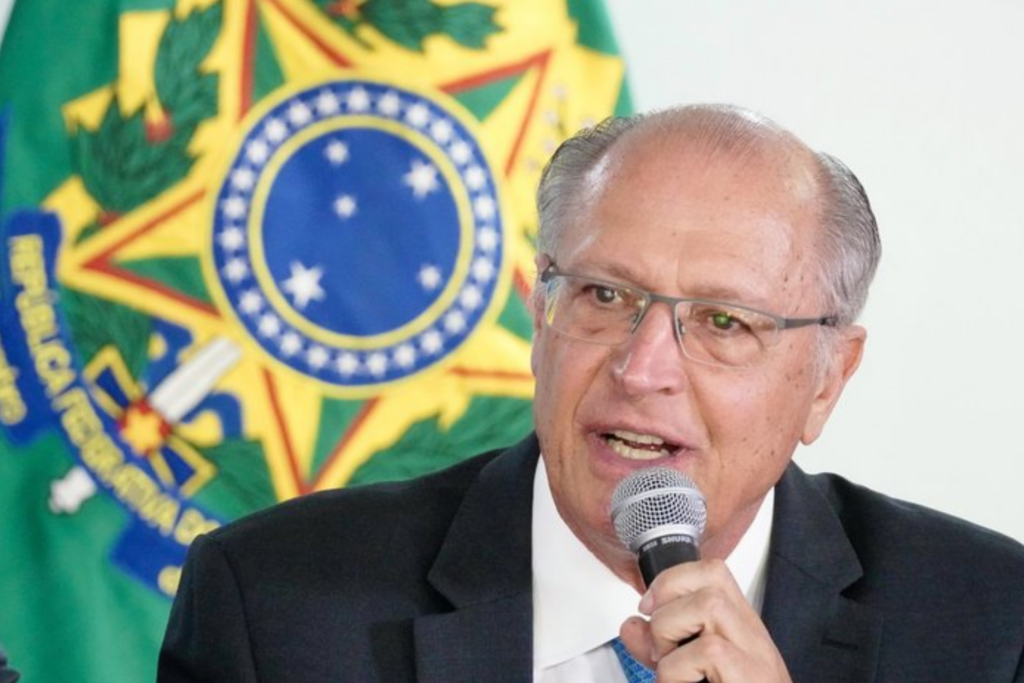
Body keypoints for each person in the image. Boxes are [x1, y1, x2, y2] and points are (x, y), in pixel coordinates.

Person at [158, 105, 1024, 682]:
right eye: (605, 295)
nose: (642, 368)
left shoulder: (989, 624)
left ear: (828, 378)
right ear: (541, 315)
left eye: (723, 321)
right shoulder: (274, 606)